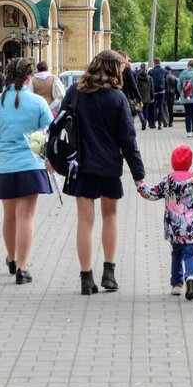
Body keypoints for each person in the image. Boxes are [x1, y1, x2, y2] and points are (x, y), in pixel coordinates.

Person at [62, 49, 146, 295]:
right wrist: (138, 174)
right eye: (120, 68)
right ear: (111, 68)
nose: (123, 73)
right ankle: (109, 273)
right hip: (109, 166)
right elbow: (128, 140)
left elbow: (60, 124)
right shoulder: (117, 98)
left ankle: (86, 278)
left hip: (80, 165)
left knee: (85, 221)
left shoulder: (75, 93)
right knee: (110, 217)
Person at [0, 57, 53, 285]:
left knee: (9, 216)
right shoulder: (38, 103)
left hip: (5, 167)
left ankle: (11, 258)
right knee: (26, 216)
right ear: (29, 77)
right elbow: (50, 133)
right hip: (31, 166)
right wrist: (41, 154)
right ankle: (23, 267)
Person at [137, 144, 193, 300]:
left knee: (176, 253)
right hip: (191, 225)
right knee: (190, 254)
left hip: (175, 226)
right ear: (190, 163)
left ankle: (176, 284)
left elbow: (153, 193)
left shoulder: (168, 181)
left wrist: (141, 186)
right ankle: (190, 277)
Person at [148, 58, 168, 129]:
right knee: (160, 107)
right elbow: (165, 82)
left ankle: (152, 123)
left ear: (154, 62)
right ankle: (160, 124)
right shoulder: (164, 71)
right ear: (160, 62)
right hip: (161, 92)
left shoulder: (151, 72)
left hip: (153, 92)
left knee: (152, 107)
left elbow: (149, 83)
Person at [135, 63, 151, 130]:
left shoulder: (137, 76)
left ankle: (143, 121)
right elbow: (151, 87)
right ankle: (145, 121)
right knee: (145, 110)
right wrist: (152, 96)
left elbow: (135, 86)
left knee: (139, 110)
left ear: (140, 68)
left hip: (139, 95)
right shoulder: (149, 77)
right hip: (147, 96)